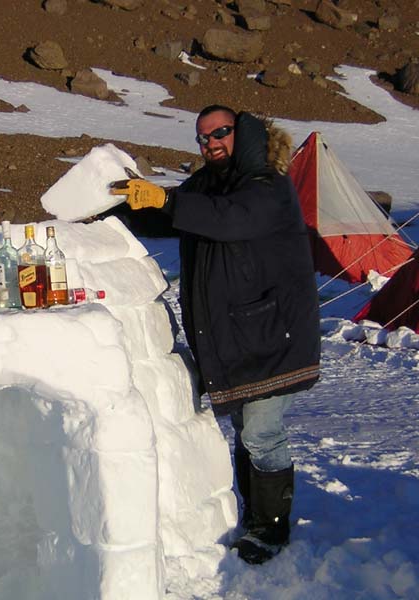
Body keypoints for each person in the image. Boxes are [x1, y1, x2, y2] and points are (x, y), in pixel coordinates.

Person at [108, 106, 320, 565]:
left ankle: (270, 529)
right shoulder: (206, 185)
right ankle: (256, 515)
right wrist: (124, 205)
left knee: (262, 433)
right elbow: (175, 217)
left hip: (271, 330)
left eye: (220, 133)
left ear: (241, 134)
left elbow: (230, 219)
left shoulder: (268, 186)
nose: (210, 143)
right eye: (203, 138)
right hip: (240, 333)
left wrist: (167, 201)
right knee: (248, 431)